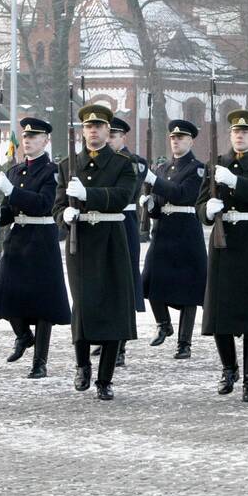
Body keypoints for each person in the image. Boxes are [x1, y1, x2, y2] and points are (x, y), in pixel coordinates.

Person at [52, 103, 137, 401]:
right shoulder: (67, 165)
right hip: (81, 240)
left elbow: (123, 196)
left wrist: (89, 195)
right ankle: (82, 365)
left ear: (107, 131)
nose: (93, 131)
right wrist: (65, 216)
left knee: (113, 306)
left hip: (111, 238)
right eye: (88, 127)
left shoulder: (123, 164)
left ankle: (105, 378)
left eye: (99, 127)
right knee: (83, 304)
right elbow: (58, 205)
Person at [196, 110, 248, 403]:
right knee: (221, 312)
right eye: (235, 132)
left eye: (245, 132)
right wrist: (206, 209)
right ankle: (229, 368)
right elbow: (201, 202)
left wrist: (234, 182)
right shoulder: (216, 164)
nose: (240, 136)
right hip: (224, 241)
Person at [0, 117, 71, 378]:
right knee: (6, 290)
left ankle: (40, 361)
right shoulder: (15, 171)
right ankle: (23, 335)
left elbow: (44, 203)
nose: (28, 140)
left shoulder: (53, 172)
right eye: (25, 136)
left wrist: (11, 192)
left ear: (45, 140)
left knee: (43, 303)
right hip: (18, 237)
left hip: (41, 238)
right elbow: (11, 211)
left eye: (34, 136)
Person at [139, 120, 207, 359]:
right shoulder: (163, 168)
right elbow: (158, 204)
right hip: (164, 230)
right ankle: (164, 323)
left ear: (191, 141)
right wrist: (149, 205)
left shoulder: (197, 169)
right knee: (149, 279)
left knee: (188, 289)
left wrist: (154, 182)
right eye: (173, 138)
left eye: (181, 138)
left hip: (186, 231)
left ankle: (184, 343)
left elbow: (183, 195)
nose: (176, 141)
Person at [107, 116, 148, 367]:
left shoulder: (134, 163)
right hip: (102, 227)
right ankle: (106, 338)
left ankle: (121, 343)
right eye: (107, 133)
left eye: (113, 135)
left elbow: (128, 193)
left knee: (124, 284)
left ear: (123, 137)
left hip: (125, 222)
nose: (109, 138)